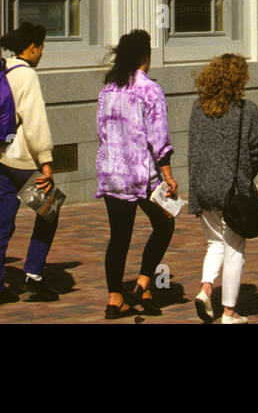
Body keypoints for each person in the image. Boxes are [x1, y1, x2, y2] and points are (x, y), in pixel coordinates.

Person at [95, 29, 177, 320]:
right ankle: (143, 282)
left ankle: (115, 298)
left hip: (111, 172)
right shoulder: (149, 90)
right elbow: (159, 136)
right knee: (165, 223)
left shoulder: (108, 90)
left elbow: (101, 131)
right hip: (141, 175)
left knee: (118, 237)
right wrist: (167, 174)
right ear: (145, 56)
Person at [0, 22, 59, 307]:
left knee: (0, 224)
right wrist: (46, 161)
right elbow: (35, 121)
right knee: (49, 209)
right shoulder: (27, 76)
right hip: (22, 162)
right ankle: (34, 273)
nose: (41, 54)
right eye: (41, 48)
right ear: (32, 47)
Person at [188, 53, 258, 325]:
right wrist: (246, 177)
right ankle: (229, 313)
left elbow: (193, 151)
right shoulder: (247, 110)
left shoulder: (198, 109)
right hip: (232, 191)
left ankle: (206, 289)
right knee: (234, 249)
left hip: (204, 188)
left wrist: (195, 189)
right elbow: (257, 148)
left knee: (214, 243)